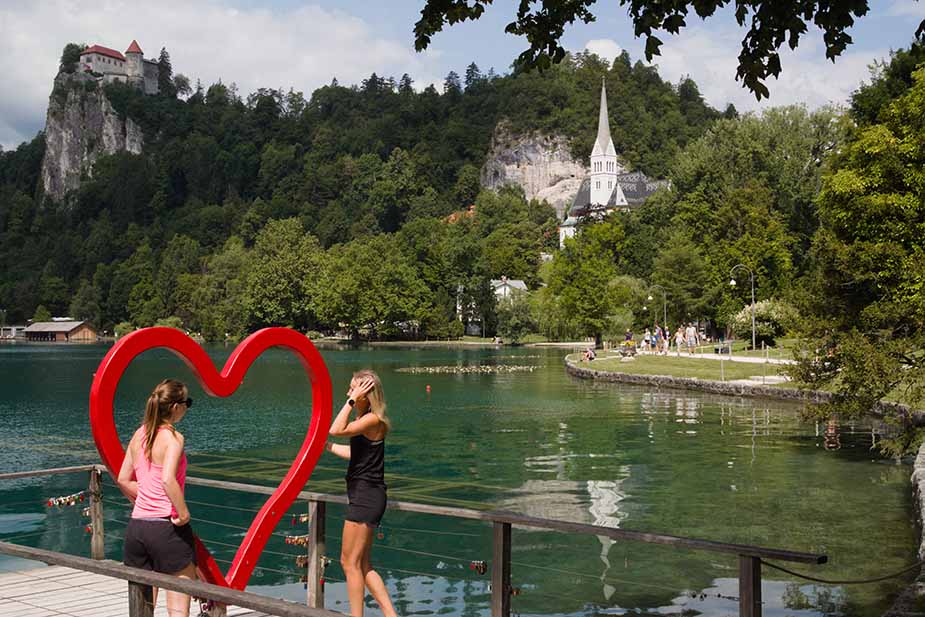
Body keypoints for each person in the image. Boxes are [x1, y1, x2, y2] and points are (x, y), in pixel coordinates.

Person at [117, 379, 196, 617]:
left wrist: (146, 499)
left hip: (137, 528)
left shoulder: (139, 434)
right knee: (178, 607)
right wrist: (183, 514)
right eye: (187, 403)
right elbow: (167, 479)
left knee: (143, 610)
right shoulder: (173, 438)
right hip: (166, 528)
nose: (187, 408)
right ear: (175, 407)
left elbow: (123, 479)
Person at [326, 370, 397, 617]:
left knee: (349, 563)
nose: (349, 393)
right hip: (365, 494)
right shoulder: (365, 421)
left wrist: (350, 401)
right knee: (363, 565)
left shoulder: (372, 420)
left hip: (366, 497)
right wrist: (328, 448)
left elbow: (336, 429)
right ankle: (391, 615)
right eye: (349, 390)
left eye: (354, 390)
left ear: (366, 395)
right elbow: (357, 456)